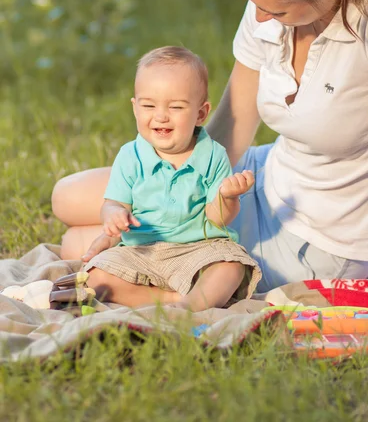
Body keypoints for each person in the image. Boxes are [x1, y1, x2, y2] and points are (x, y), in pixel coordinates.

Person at [52, 0, 368, 326]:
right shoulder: (267, 9)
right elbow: (233, 123)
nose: (256, 18)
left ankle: (176, 300)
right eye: (251, 0)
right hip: (256, 178)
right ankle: (158, 277)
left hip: (317, 237)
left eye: (271, 9)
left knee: (76, 246)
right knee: (68, 200)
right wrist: (184, 191)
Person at [81, 46, 261, 310]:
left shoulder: (212, 155)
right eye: (148, 105)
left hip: (198, 249)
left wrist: (228, 196)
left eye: (175, 107)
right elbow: (113, 203)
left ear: (201, 113)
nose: (161, 115)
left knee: (231, 266)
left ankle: (192, 304)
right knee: (94, 279)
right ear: (135, 108)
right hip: (141, 250)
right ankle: (175, 301)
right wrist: (114, 215)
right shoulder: (131, 155)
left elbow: (217, 219)